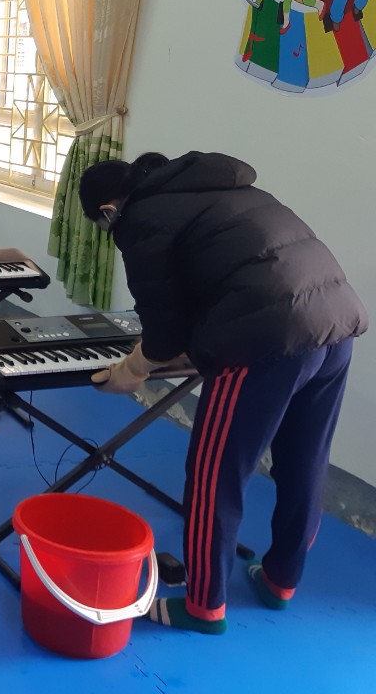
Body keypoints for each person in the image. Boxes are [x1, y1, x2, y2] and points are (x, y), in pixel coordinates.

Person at [78, 150, 366, 635]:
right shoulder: (226, 188)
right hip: (335, 324)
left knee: (215, 475)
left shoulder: (140, 219)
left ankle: (203, 606)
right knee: (305, 461)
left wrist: (132, 370)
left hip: (266, 340)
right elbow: (225, 280)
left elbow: (163, 335)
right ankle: (280, 581)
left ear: (109, 210)